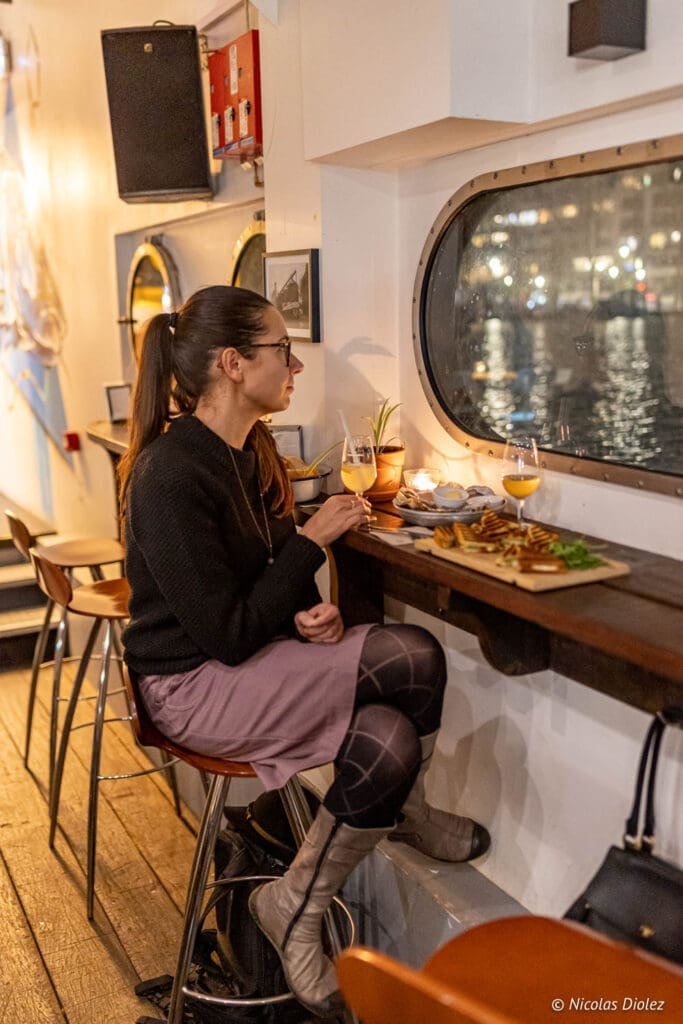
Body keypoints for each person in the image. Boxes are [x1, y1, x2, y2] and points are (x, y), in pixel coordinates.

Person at [119, 285, 490, 1020]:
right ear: (231, 364)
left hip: (238, 661)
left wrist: (302, 618)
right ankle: (397, 817)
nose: (293, 366)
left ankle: (295, 901)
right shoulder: (170, 474)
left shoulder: (244, 451)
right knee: (410, 656)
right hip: (190, 686)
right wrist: (308, 544)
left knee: (387, 735)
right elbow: (222, 631)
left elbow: (251, 587)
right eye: (280, 351)